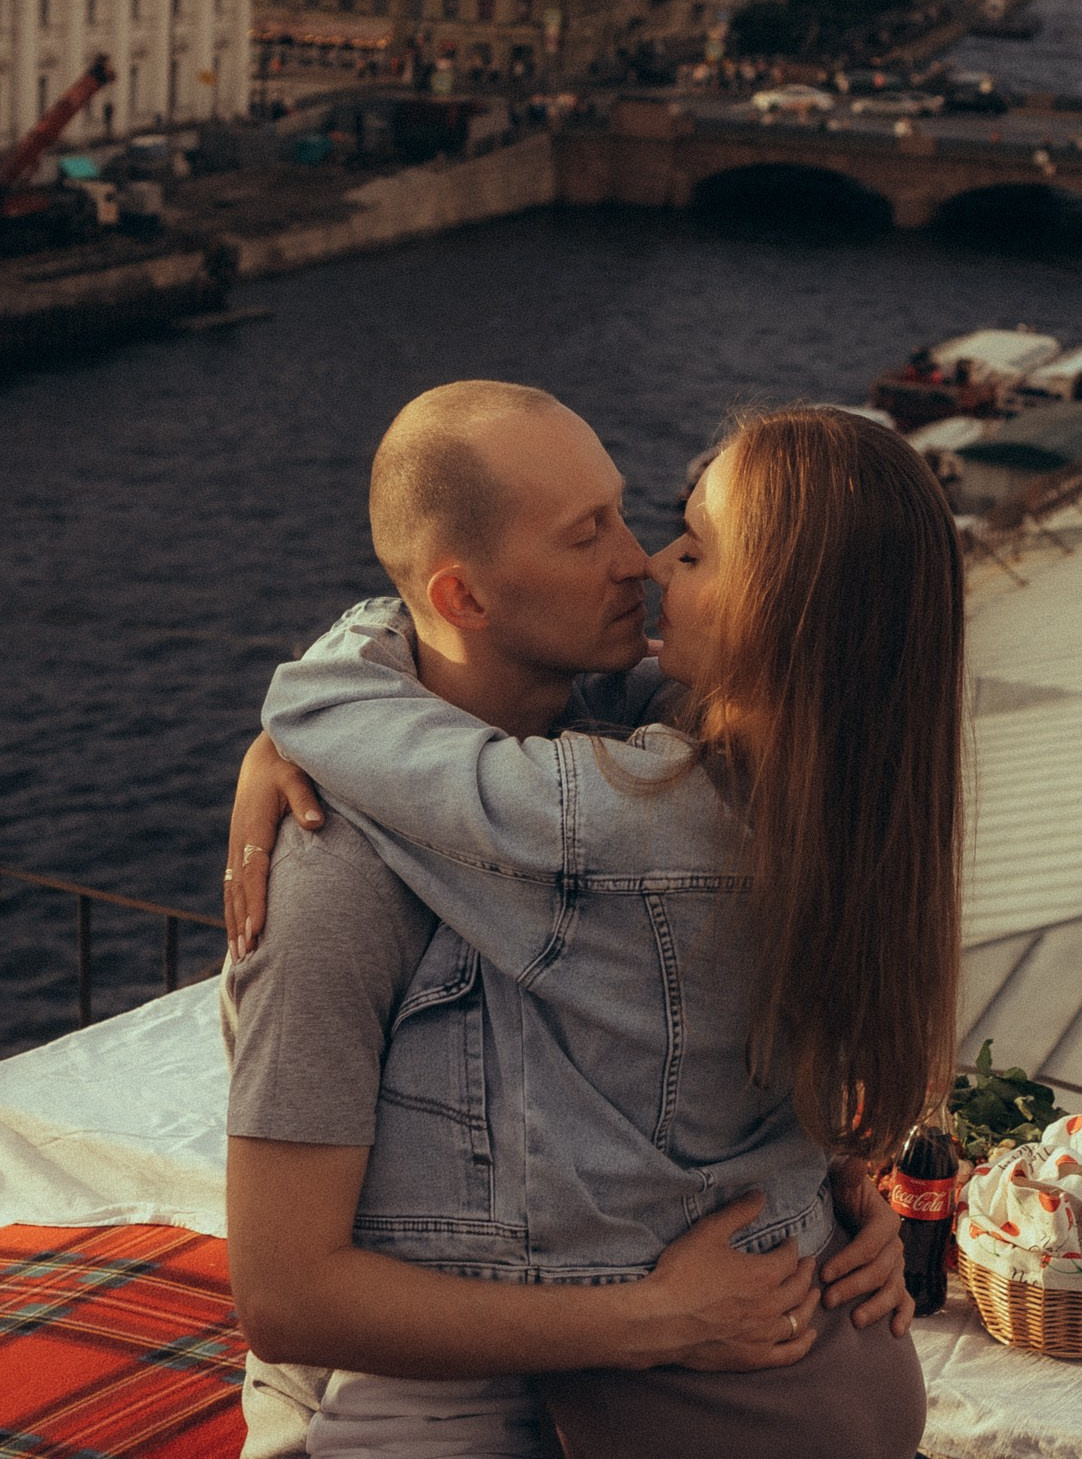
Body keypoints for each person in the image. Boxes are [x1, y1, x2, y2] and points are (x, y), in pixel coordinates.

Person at [227, 383, 964, 1458]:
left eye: (664, 533)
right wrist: (669, 1308)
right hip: (435, 1409)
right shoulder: (336, 865)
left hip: (685, 1391)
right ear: (465, 596)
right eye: (590, 534)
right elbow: (286, 1296)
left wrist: (827, 1188)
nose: (641, 561)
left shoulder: (641, 787)